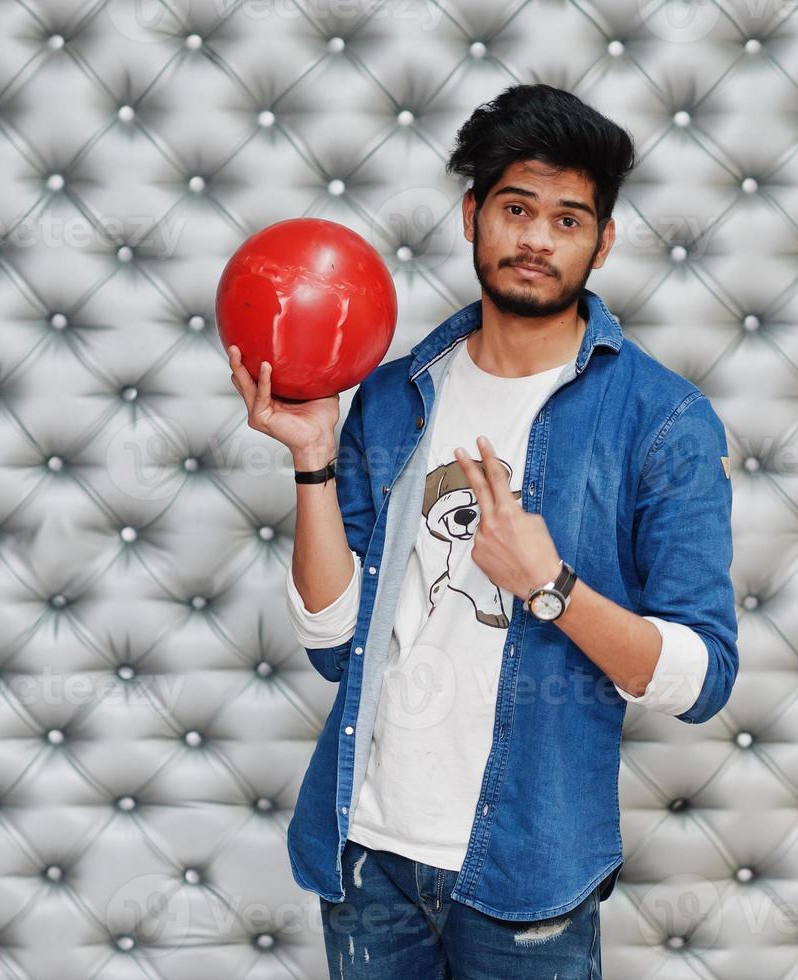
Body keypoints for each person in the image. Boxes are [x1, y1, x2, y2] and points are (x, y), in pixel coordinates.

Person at [228, 83, 739, 980]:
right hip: (365, 854)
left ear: (602, 240)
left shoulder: (661, 421)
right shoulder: (393, 394)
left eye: (568, 219)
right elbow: (330, 643)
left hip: (528, 870)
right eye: (515, 208)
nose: (536, 238)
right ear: (472, 216)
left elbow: (702, 677)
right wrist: (312, 456)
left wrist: (553, 588)